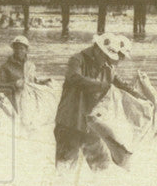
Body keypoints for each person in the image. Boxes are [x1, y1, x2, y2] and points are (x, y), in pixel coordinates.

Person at [53, 32, 144, 170]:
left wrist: (141, 97)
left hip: (91, 126)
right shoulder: (77, 60)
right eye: (105, 56)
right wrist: (101, 86)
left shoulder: (107, 68)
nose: (106, 60)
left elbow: (121, 86)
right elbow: (74, 78)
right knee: (64, 168)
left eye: (109, 57)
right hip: (69, 123)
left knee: (102, 168)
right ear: (96, 49)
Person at [0, 35, 51, 115]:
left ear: (26, 50)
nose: (18, 51)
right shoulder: (5, 66)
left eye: (21, 48)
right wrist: (14, 85)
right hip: (12, 101)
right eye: (16, 48)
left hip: (29, 101)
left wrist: (42, 82)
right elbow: (0, 87)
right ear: (13, 49)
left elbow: (32, 81)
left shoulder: (30, 65)